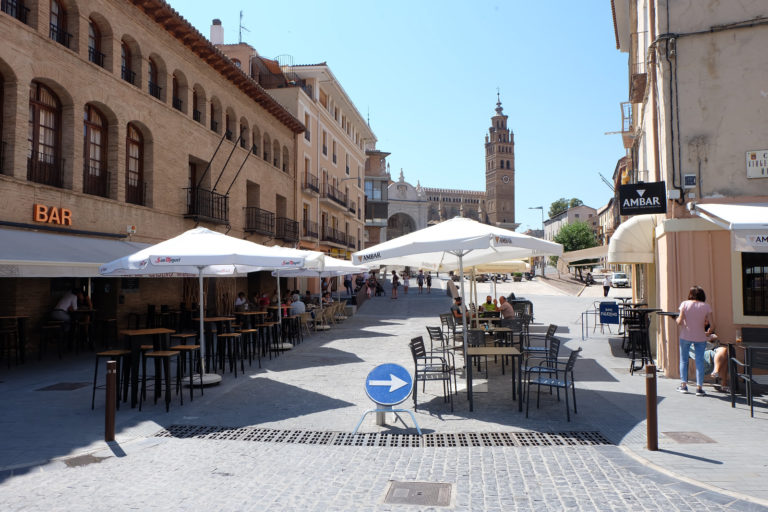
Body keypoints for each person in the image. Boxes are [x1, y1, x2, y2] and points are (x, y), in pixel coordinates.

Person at [676, 285, 715, 396]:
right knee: (699, 361)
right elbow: (713, 325)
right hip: (700, 337)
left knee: (683, 360)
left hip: (685, 335)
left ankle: (683, 385)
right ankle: (699, 387)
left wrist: (677, 319)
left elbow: (679, 321)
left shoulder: (684, 304)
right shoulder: (706, 306)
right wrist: (708, 332)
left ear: (690, 294)